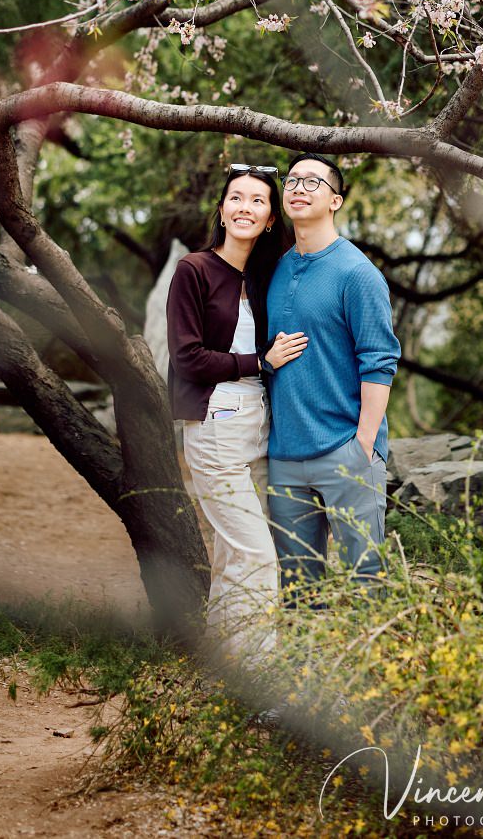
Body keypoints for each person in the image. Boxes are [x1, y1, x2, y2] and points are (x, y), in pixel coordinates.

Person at [166, 164, 300, 658]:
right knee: (257, 554)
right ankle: (259, 674)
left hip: (259, 419)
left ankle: (221, 667)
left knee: (232, 556)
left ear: (270, 219)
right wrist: (257, 361)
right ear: (222, 210)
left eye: (258, 200)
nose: (245, 207)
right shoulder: (194, 270)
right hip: (216, 418)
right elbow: (186, 358)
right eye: (236, 198)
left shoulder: (269, 277)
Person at [265, 153, 400, 603]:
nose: (299, 188)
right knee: (299, 593)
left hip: (345, 449)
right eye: (293, 180)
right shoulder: (276, 269)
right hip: (284, 458)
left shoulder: (357, 273)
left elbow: (379, 360)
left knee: (366, 588)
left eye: (313, 182)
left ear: (336, 200)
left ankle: (370, 674)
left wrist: (363, 445)